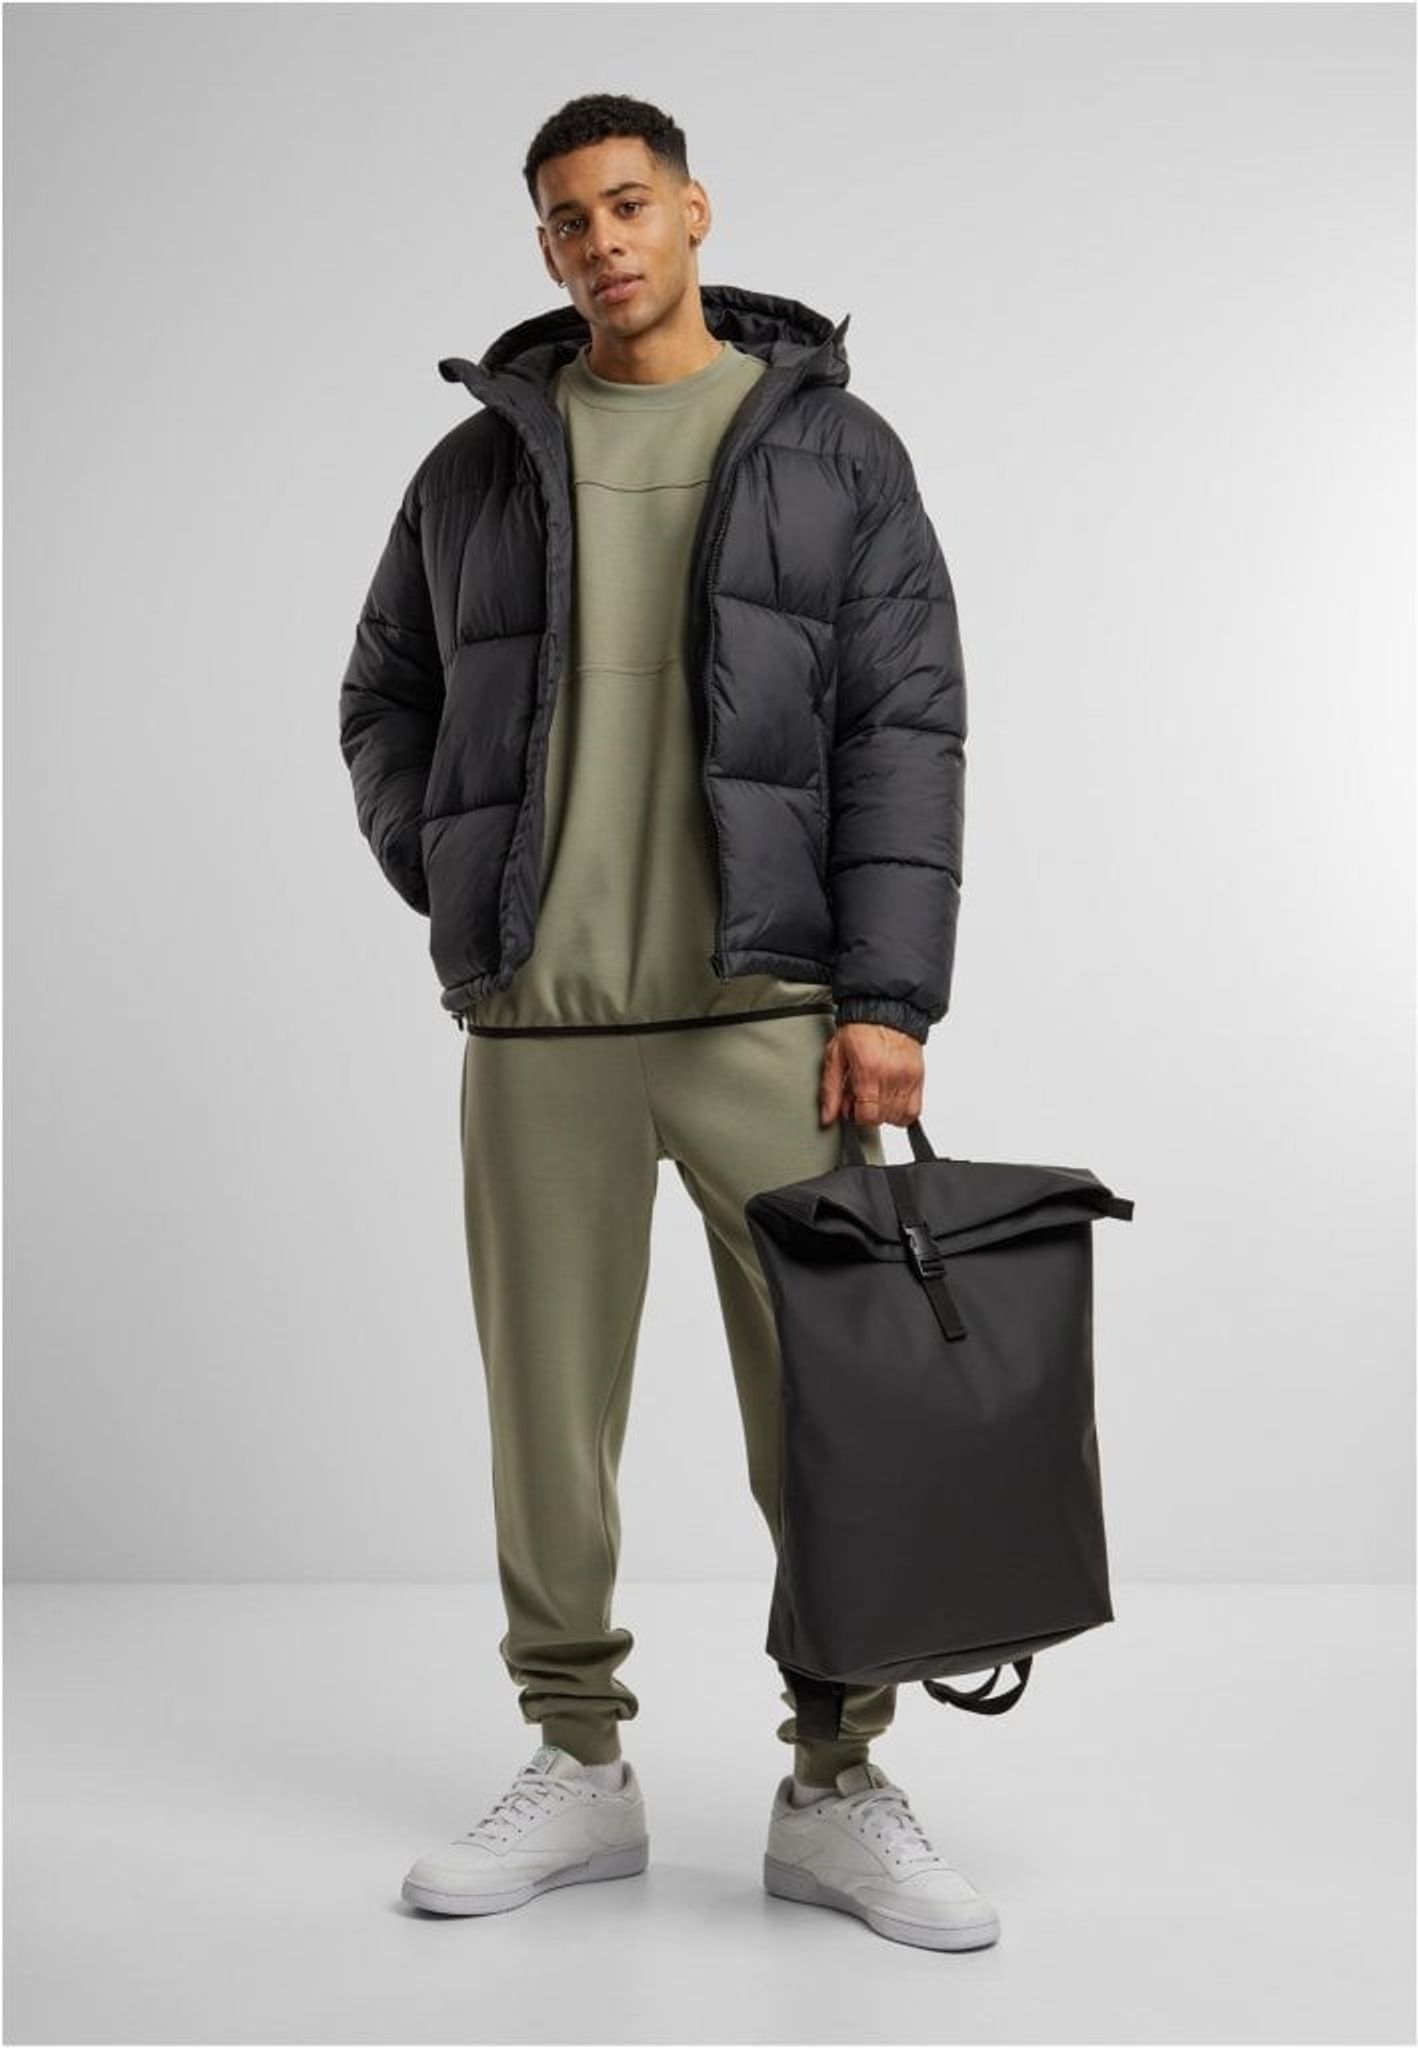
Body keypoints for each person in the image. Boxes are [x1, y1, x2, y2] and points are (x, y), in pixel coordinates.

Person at [339, 93, 995, 1953]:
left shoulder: (832, 448)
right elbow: (383, 696)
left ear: (693, 212)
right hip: (538, 1025)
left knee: (827, 1417)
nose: (600, 243)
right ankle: (577, 1762)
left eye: (626, 204)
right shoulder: (475, 467)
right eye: (565, 220)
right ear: (543, 246)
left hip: (770, 1020)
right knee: (546, 1424)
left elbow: (906, 727)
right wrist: (458, 877)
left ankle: (837, 1782)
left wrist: (888, 996)